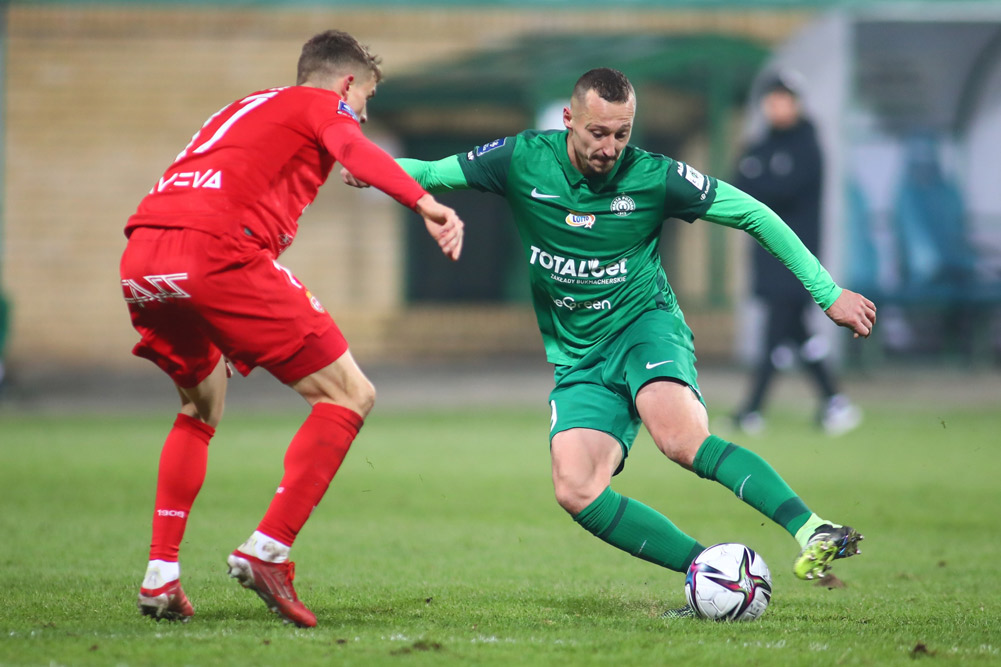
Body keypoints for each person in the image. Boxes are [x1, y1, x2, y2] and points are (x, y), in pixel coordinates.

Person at [343, 68, 875, 614]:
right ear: (570, 119)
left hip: (645, 325)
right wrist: (367, 168)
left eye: (622, 134)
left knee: (679, 438)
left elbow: (753, 214)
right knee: (575, 487)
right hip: (578, 355)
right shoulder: (521, 159)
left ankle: (812, 528)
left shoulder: (653, 177)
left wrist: (826, 291)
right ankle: (708, 571)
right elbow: (430, 171)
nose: (610, 147)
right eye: (598, 133)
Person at [120, 29, 464, 628]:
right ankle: (269, 548)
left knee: (199, 410)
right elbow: (353, 148)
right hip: (219, 254)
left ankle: (161, 573)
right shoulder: (323, 104)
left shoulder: (244, 106)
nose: (360, 115)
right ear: (348, 83)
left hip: (146, 258)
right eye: (365, 103)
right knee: (351, 394)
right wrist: (424, 201)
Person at [731, 72, 862, 436]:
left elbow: (777, 190)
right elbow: (739, 184)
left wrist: (760, 180)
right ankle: (836, 402)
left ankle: (751, 411)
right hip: (766, 259)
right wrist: (759, 180)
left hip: (797, 262)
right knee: (798, 336)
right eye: (771, 99)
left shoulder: (807, 146)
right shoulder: (760, 144)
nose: (777, 106)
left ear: (797, 103)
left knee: (776, 334)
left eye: (784, 99)